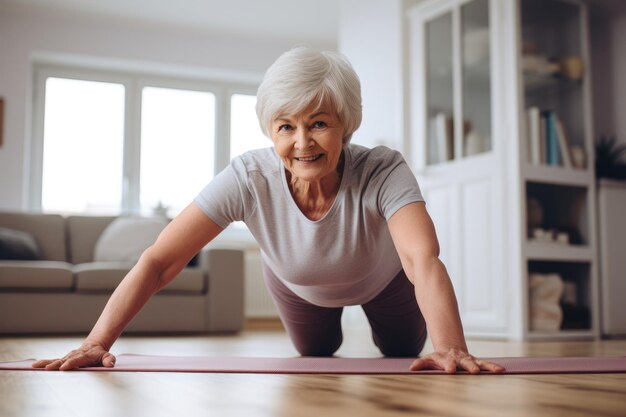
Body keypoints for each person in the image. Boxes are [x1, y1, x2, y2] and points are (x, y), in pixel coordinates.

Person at [33, 47, 504, 374]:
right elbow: (159, 261)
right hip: (298, 285)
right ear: (270, 130)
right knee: (316, 352)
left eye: (319, 123)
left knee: (401, 351)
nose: (302, 143)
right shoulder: (247, 178)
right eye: (286, 126)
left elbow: (422, 259)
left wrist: (452, 349)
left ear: (347, 124)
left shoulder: (383, 168)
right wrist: (96, 342)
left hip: (384, 282)